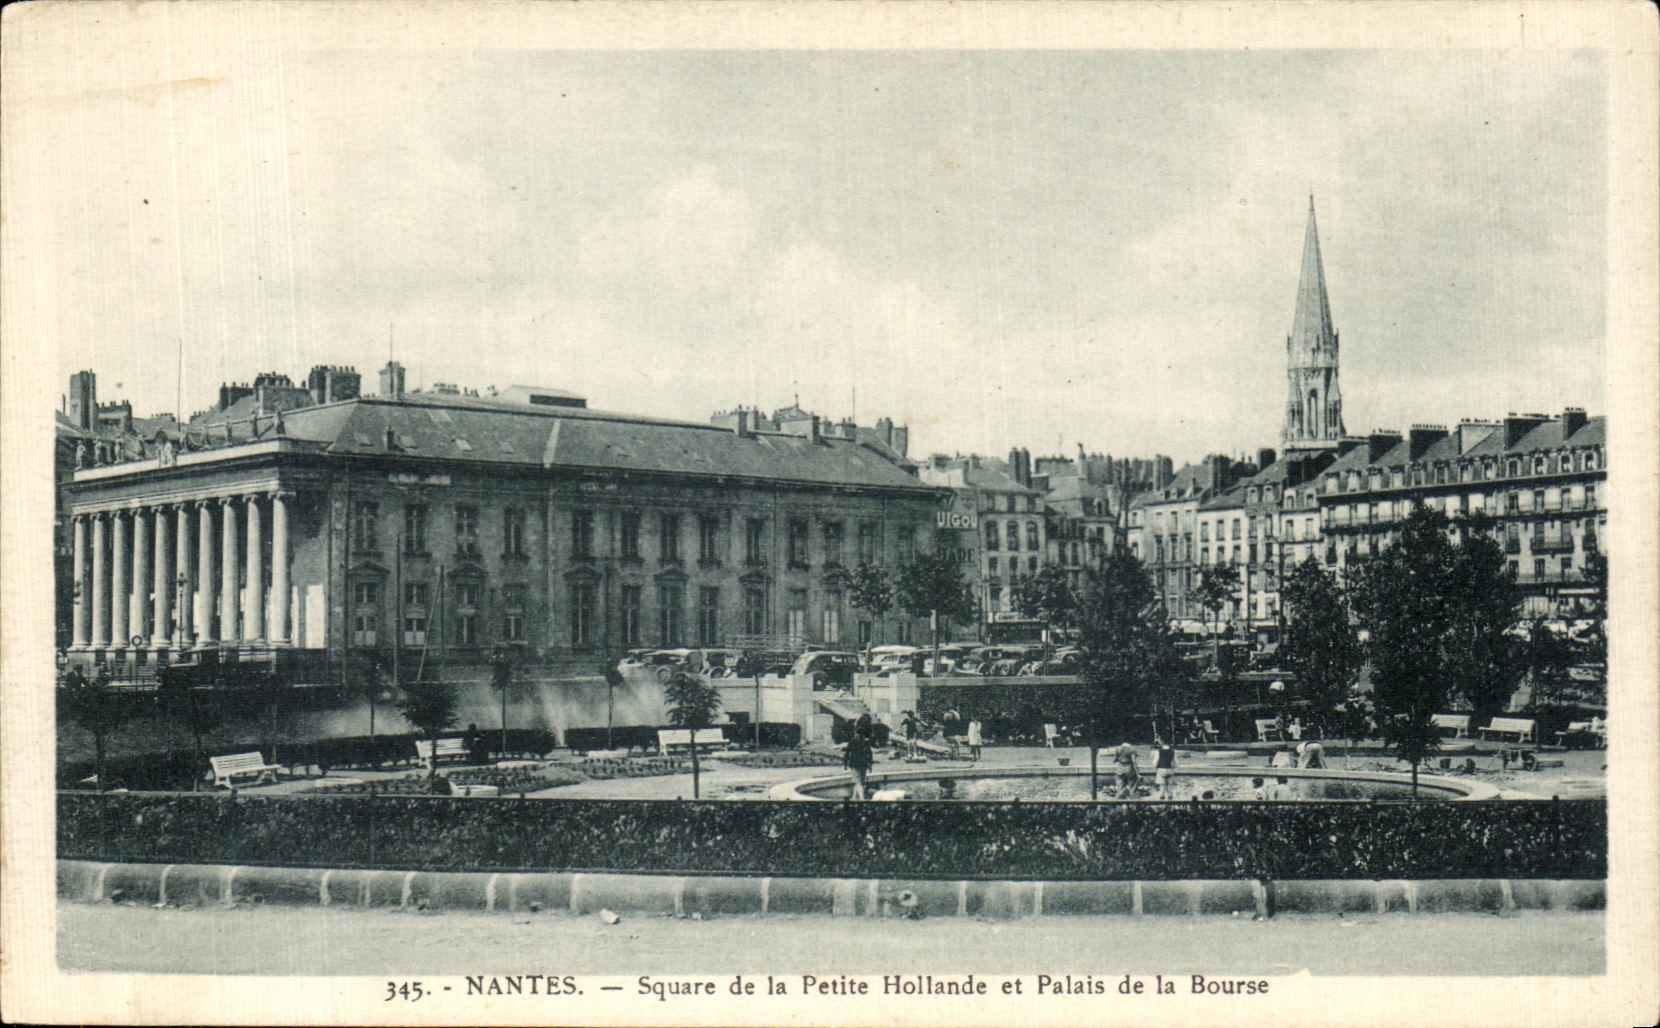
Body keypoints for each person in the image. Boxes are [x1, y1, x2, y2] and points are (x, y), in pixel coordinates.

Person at [844, 725, 875, 800]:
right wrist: (870, 765)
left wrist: (845, 763)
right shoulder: (865, 742)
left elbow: (847, 753)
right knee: (860, 782)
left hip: (854, 764)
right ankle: (854, 797)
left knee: (857, 782)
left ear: (856, 733)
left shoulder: (852, 741)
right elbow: (869, 754)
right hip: (864, 764)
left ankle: (862, 798)